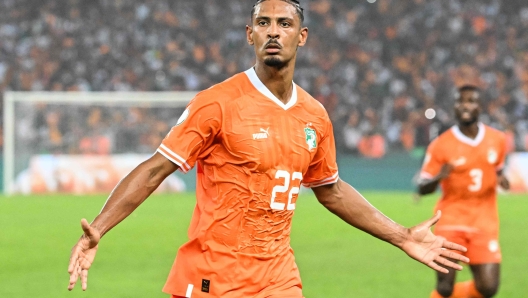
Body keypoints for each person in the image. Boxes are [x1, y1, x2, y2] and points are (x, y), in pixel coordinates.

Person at [68, 1, 469, 297]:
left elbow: (330, 189)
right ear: (250, 34)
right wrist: (98, 228)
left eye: (284, 23)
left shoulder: (314, 115)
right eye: (264, 23)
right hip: (214, 277)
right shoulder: (218, 103)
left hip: (278, 278)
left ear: (302, 36)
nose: (273, 31)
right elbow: (156, 168)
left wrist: (401, 235)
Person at [417, 85, 510, 298]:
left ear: (480, 106)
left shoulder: (497, 139)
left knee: (488, 288)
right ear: (455, 107)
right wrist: (439, 177)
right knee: (445, 287)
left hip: (484, 221)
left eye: (471, 101)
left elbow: (498, 167)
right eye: (461, 101)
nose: (465, 105)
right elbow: (422, 188)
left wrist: (501, 178)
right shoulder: (441, 145)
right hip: (451, 219)